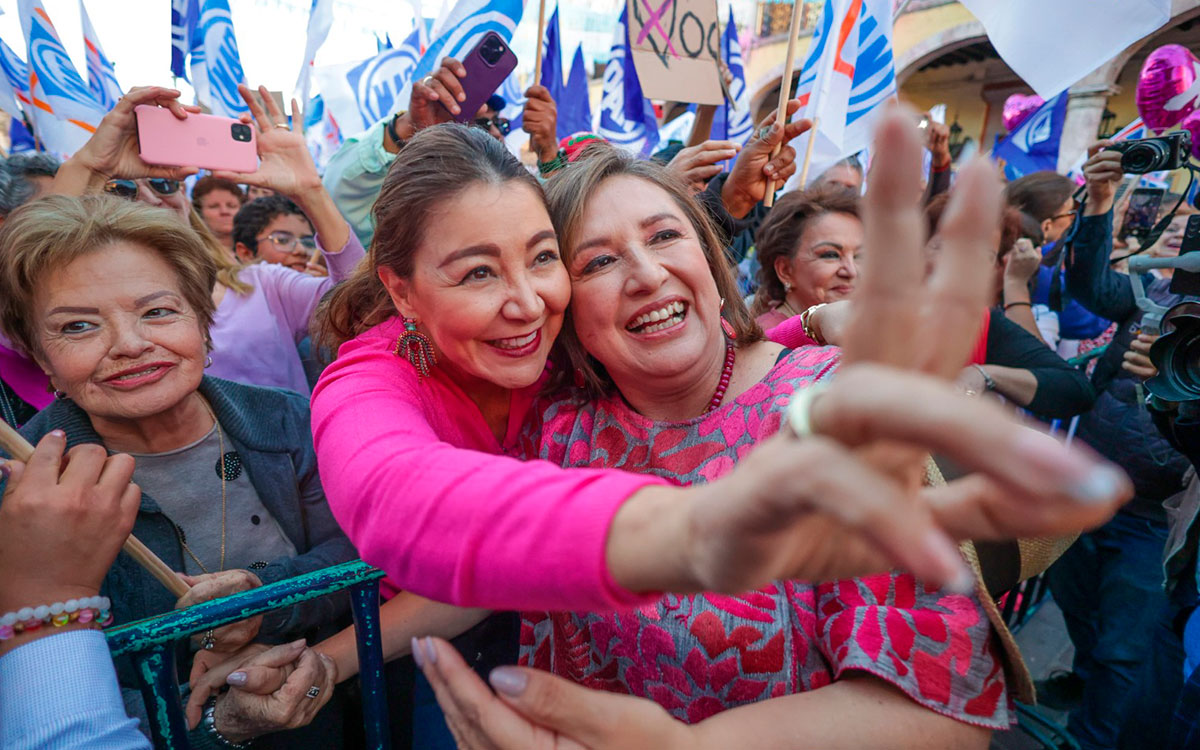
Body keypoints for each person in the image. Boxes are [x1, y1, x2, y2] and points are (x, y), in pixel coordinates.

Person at [311, 108, 1129, 614]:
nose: (527, 302)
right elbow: (398, 502)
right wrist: (691, 527)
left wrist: (809, 329)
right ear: (402, 289)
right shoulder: (379, 382)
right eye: (477, 272)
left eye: (541, 258)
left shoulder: (580, 357)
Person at [506, 146, 1010, 742]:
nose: (645, 275)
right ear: (564, 312)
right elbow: (491, 560)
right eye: (596, 264)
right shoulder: (559, 429)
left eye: (665, 236)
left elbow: (943, 710)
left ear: (712, 265)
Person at [0, 193, 355, 747]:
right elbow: (41, 676)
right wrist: (220, 723)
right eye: (77, 327)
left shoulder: (286, 419)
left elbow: (353, 555)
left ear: (203, 319)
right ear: (40, 357)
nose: (131, 345)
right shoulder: (24, 483)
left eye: (158, 312)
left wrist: (262, 603)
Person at [51, 85, 365, 395]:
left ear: (186, 203)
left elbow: (359, 303)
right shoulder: (84, 309)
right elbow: (26, 275)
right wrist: (87, 165)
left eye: (163, 185)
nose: (150, 199)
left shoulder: (262, 285)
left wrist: (311, 191)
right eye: (122, 190)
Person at [1040, 141, 1195, 750]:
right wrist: (1100, 202)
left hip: (1155, 520)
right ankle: (1085, 681)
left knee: (1126, 650)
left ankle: (1092, 737)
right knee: (1074, 601)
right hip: (1088, 493)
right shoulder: (1156, 295)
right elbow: (1091, 284)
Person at [323, 56, 514, 246]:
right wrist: (408, 129)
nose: (496, 132)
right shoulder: (414, 215)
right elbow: (339, 191)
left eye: (501, 124)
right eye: (483, 124)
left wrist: (545, 153)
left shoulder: (518, 194)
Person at [749, 184, 861, 329]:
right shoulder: (767, 341)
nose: (851, 272)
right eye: (831, 255)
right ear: (785, 270)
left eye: (860, 256)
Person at [232, 194, 319, 274]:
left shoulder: (322, 286)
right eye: (282, 240)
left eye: (307, 242)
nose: (301, 250)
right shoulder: (222, 290)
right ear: (246, 253)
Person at [191, 175, 246, 253]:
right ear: (199, 212)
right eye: (214, 206)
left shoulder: (257, 250)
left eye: (231, 206)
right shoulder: (192, 253)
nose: (224, 211)